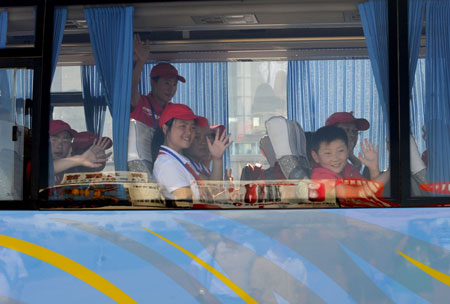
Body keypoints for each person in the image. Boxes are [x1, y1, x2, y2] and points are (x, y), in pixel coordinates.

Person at [128, 34, 186, 179]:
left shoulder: (173, 111)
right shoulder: (141, 102)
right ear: (153, 83)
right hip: (141, 165)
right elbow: (130, 89)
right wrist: (141, 61)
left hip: (167, 166)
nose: (171, 89)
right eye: (166, 83)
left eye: (174, 85)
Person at [152, 104, 232, 204]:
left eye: (192, 128)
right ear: (165, 129)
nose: (189, 132)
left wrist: (217, 158)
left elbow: (212, 189)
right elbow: (188, 205)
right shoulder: (168, 164)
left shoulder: (181, 161)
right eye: (182, 126)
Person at [310, 125, 389, 183]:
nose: (335, 158)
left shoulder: (348, 169)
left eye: (341, 151)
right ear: (315, 156)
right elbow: (369, 191)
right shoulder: (321, 178)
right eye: (328, 153)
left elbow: (371, 191)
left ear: (348, 150)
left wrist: (373, 168)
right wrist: (393, 169)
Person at [50, 120, 111, 184]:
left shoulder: (66, 172)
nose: (59, 146)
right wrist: (80, 159)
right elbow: (49, 168)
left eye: (65, 141)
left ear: (70, 145)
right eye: (54, 139)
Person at [325, 111, 371, 178]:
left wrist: (353, 158)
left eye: (354, 131)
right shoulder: (326, 162)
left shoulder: (345, 164)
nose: (352, 135)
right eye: (346, 130)